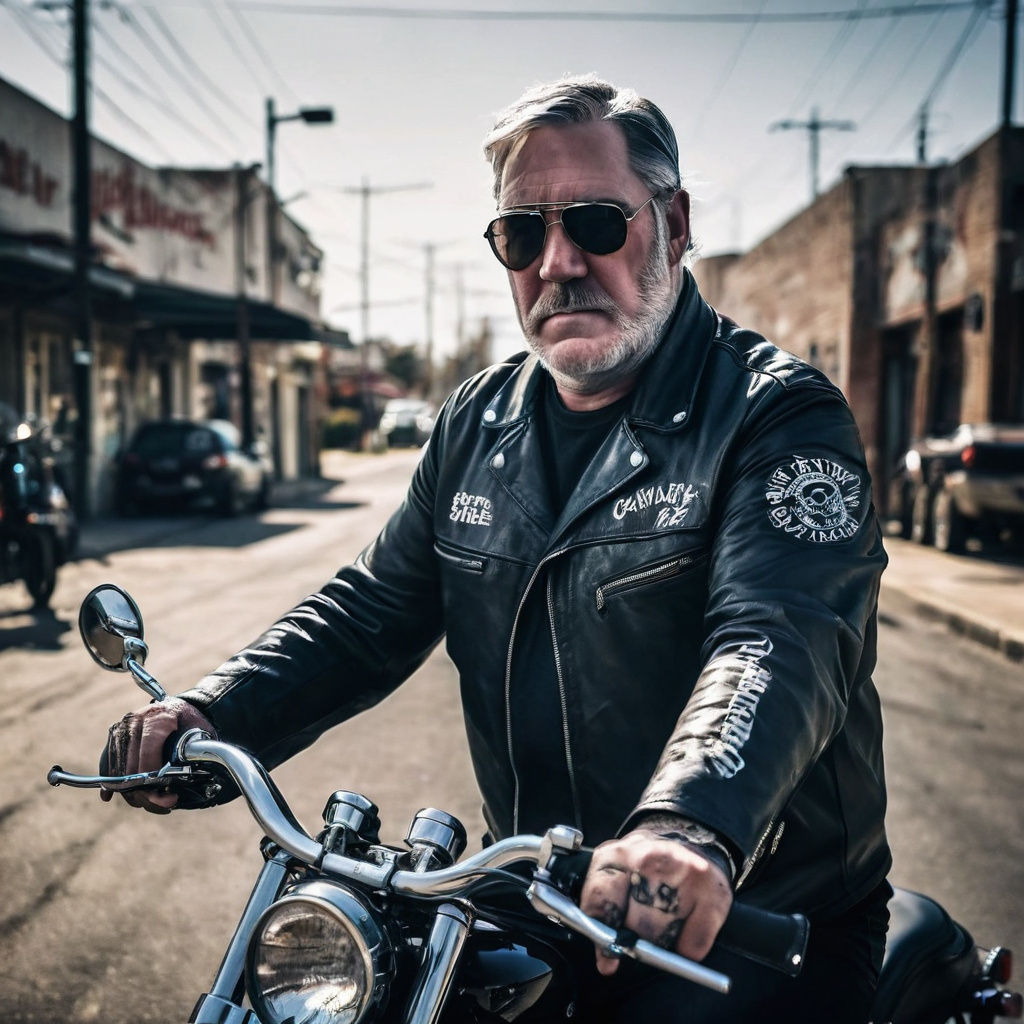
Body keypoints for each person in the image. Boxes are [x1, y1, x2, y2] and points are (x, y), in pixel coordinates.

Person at [101, 74, 891, 1023]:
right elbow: (371, 612)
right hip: (537, 899)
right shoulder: (478, 420)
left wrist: (689, 824)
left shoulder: (777, 414)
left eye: (596, 223)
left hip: (754, 916)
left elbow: (777, 638)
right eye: (522, 234)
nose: (558, 261)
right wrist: (211, 712)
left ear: (674, 225)